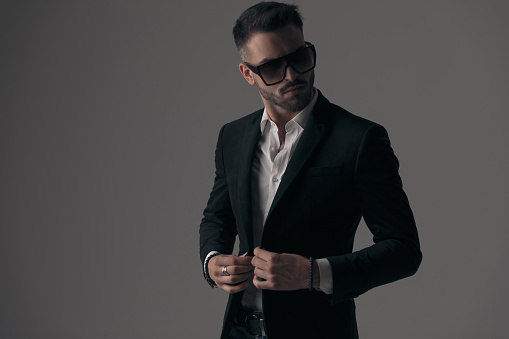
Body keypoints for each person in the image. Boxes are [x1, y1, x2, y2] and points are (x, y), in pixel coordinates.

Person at [199, 2, 422, 338]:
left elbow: (404, 250)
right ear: (248, 74)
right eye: (273, 67)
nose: (292, 75)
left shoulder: (360, 139)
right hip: (240, 330)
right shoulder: (232, 136)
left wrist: (314, 273)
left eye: (299, 57)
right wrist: (213, 260)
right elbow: (218, 217)